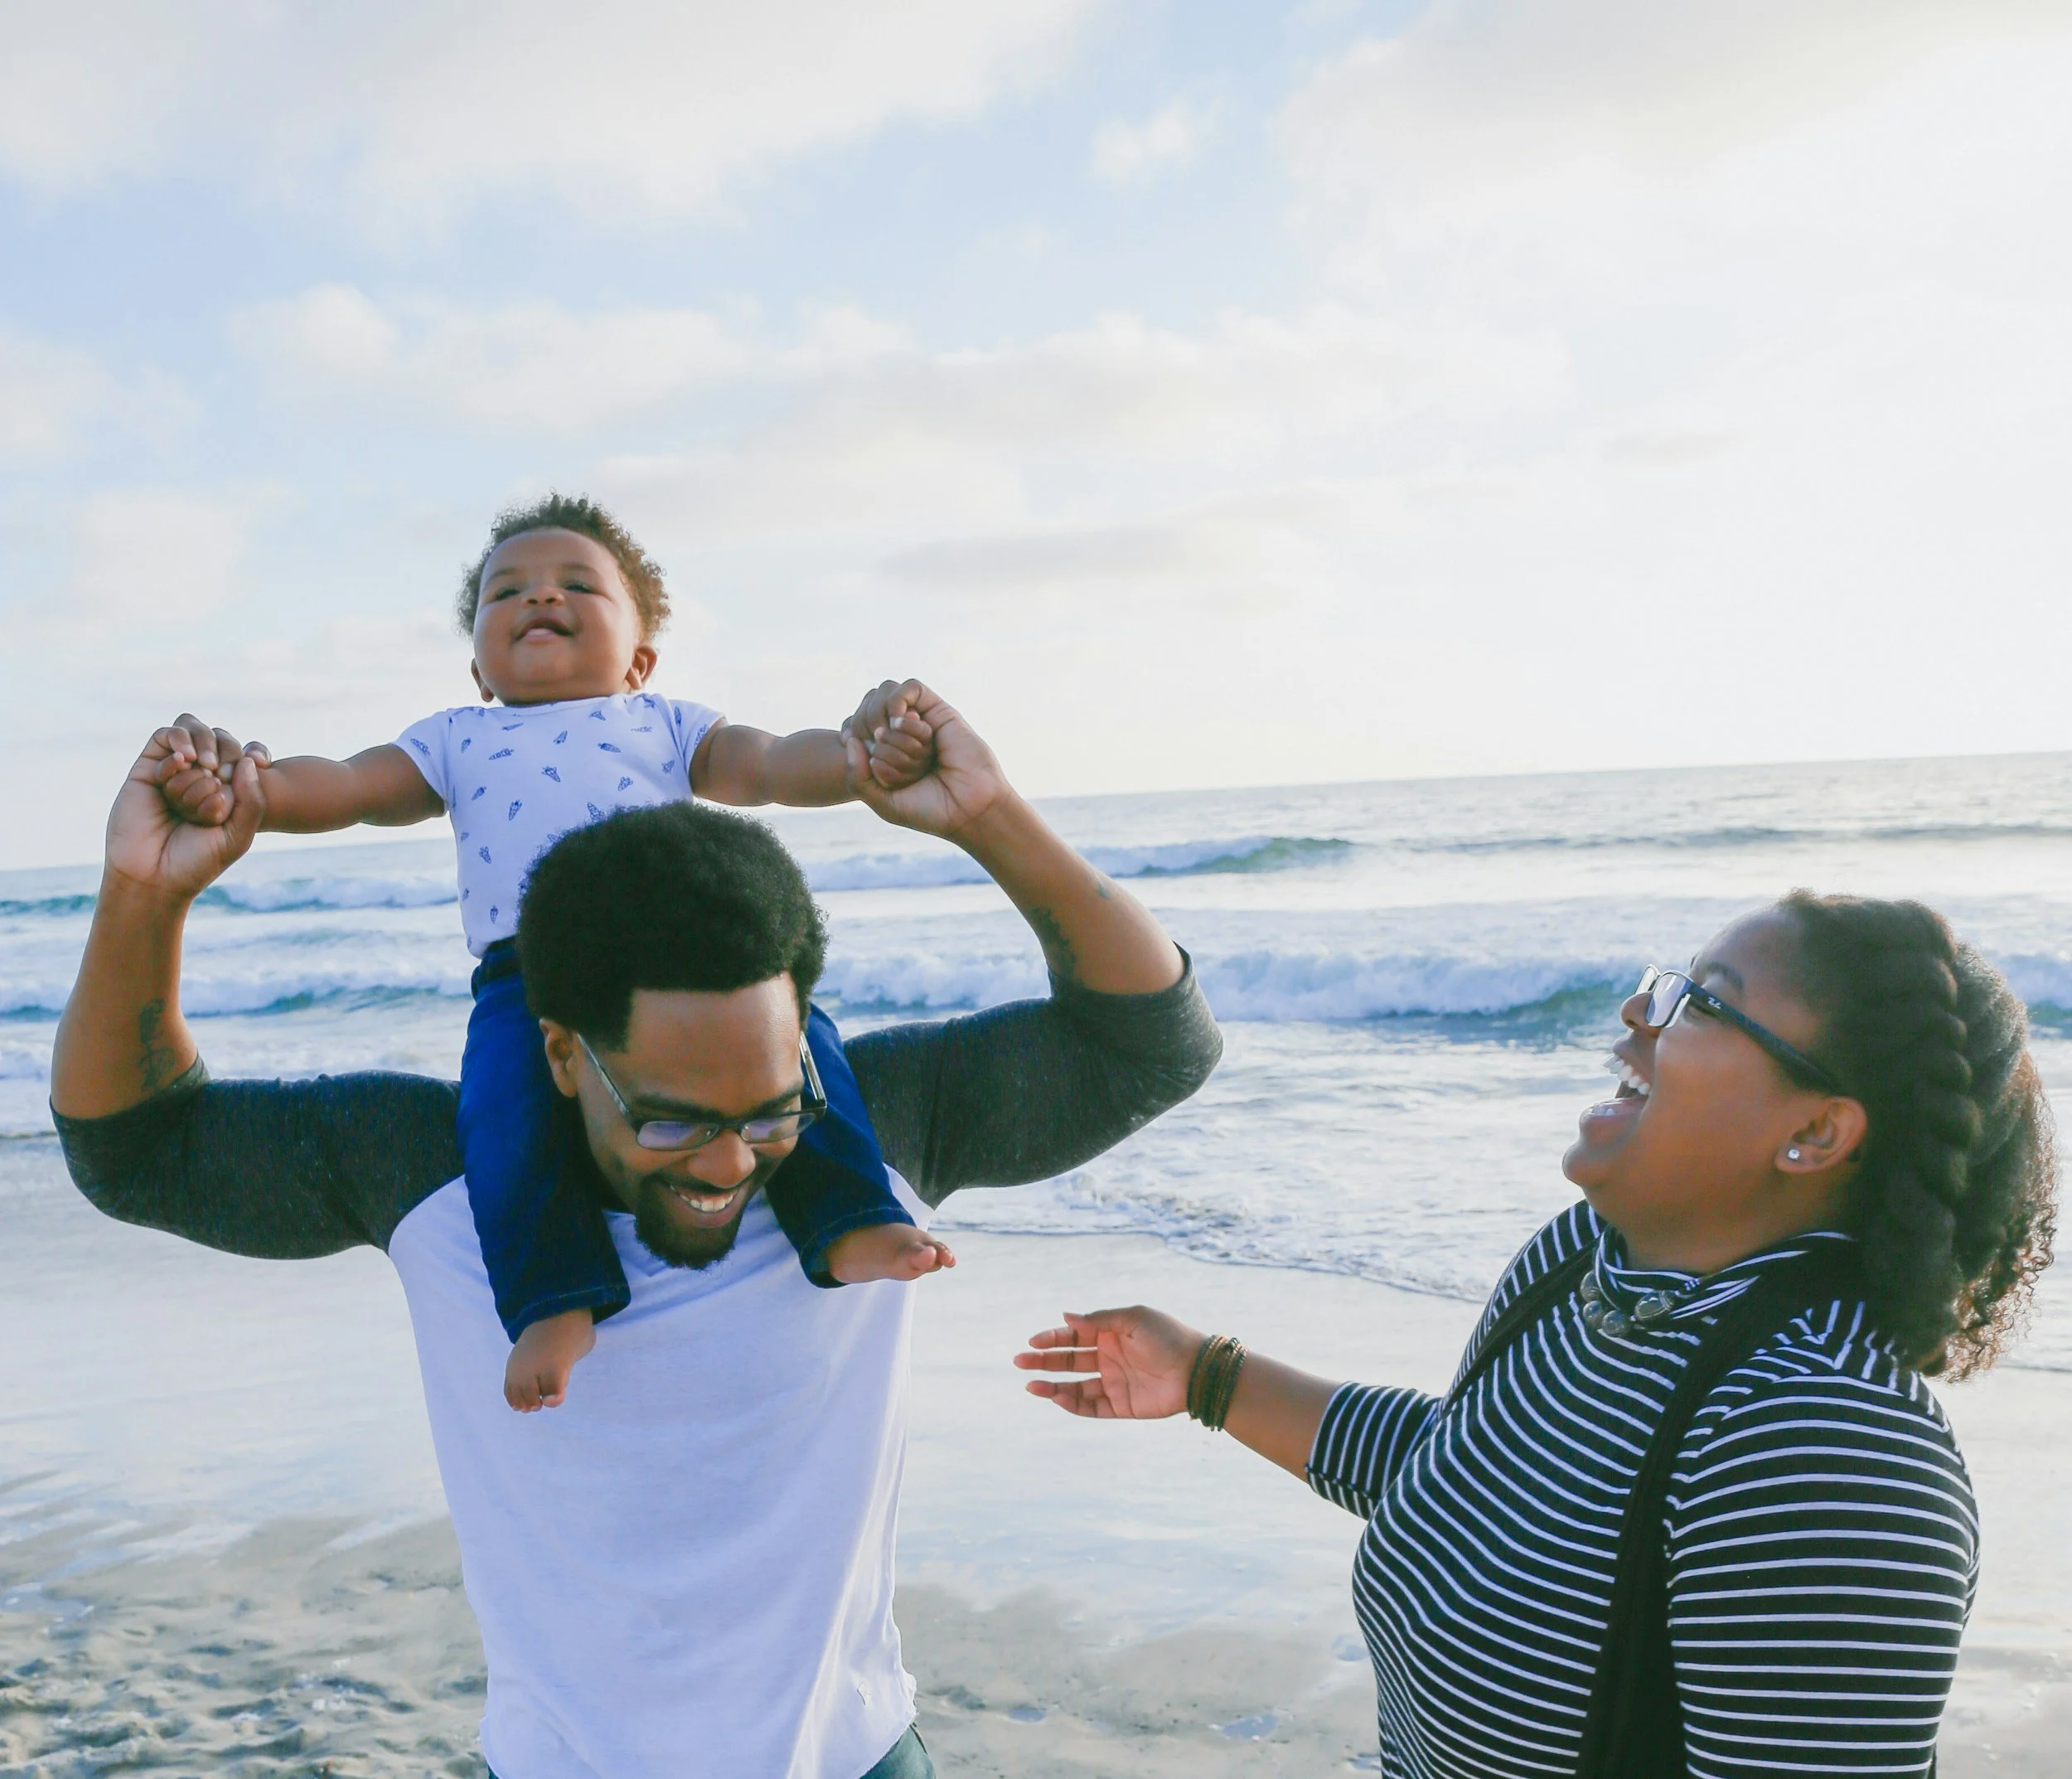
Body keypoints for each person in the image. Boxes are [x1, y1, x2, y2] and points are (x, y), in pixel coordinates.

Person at [52, 686, 1222, 1779]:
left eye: (769, 1108)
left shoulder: (875, 1133)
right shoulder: (432, 1171)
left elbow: (1155, 1041)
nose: (726, 1161)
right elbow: (136, 1148)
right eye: (670, 1121)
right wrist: (146, 897)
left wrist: (990, 817)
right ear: (560, 1052)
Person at [1017, 897, 2057, 1777]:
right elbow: (1479, 1480)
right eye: (1670, 981)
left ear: (1815, 1133)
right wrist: (1206, 1376)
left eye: (1702, 1002)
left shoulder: (1824, 1452)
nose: (1639, 1012)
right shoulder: (1585, 1262)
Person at [154, 492, 949, 1413]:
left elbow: (770, 763)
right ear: (479, 668)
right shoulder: (456, 737)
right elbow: (346, 786)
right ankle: (552, 1298)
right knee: (501, 1116)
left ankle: (851, 1220)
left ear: (640, 659)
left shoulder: (666, 722)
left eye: (577, 584)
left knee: (802, 1046)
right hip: (524, 975)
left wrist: (859, 760)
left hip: (680, 954)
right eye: (507, 593)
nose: (539, 599)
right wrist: (245, 788)